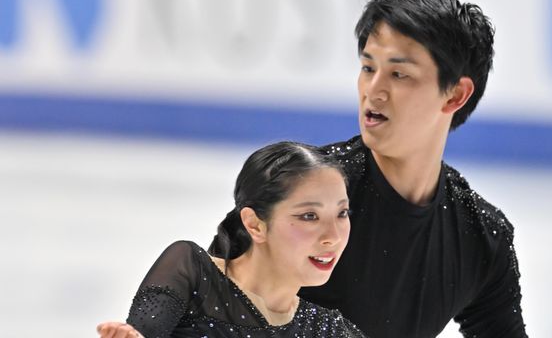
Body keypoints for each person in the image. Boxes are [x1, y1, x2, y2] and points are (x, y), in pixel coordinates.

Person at [298, 0, 528, 338]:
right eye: (368, 68)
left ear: (455, 94)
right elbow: (209, 313)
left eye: (399, 74)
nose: (373, 91)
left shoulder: (481, 238)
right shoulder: (297, 192)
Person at [96, 142, 367, 338]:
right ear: (255, 224)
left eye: (342, 213)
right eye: (309, 216)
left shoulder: (328, 330)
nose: (333, 236)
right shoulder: (193, 273)